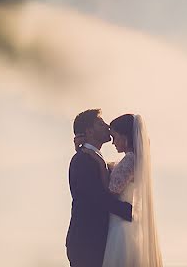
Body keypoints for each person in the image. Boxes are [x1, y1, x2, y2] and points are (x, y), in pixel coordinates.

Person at [66, 109, 133, 267]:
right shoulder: (82, 160)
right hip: (86, 243)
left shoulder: (93, 158)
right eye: (100, 123)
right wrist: (130, 211)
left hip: (100, 241)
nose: (107, 126)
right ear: (89, 131)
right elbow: (96, 197)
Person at [101, 113, 164, 267]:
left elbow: (112, 191)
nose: (113, 142)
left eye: (115, 137)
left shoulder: (129, 159)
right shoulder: (135, 159)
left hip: (120, 228)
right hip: (128, 225)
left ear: (125, 137)